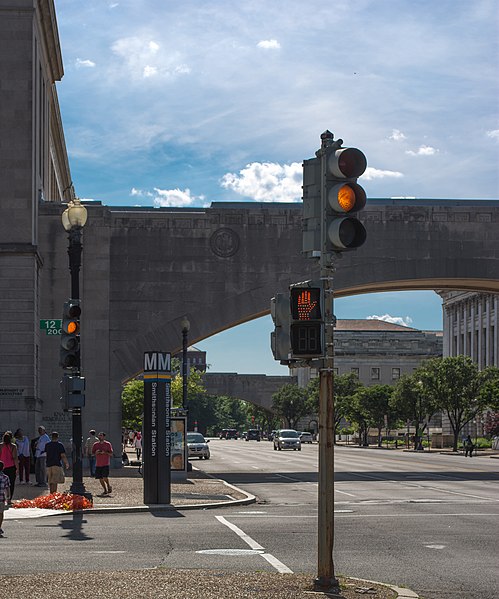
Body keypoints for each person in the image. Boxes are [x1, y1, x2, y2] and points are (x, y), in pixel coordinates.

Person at [0, 432, 18, 500]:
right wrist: (17, 468)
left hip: (2, 466)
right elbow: (15, 458)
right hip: (11, 466)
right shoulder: (13, 446)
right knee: (11, 484)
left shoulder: (0, 446)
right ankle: (9, 499)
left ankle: (2, 497)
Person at [0, 461, 11, 536]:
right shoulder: (5, 477)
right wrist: (8, 497)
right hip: (1, 499)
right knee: (1, 514)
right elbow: (7, 488)